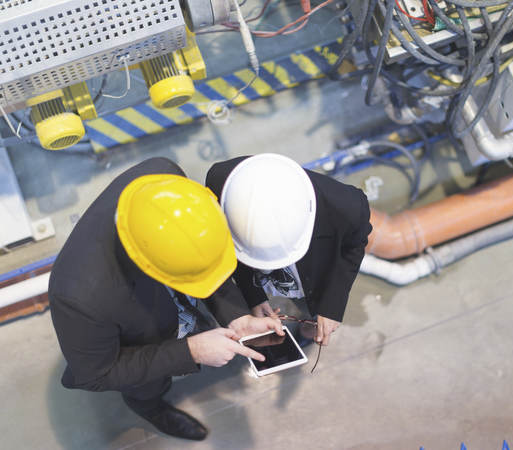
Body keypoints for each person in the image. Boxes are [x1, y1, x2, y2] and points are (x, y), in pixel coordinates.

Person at [48, 157, 283, 441]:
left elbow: (201, 255)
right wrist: (191, 351)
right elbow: (97, 373)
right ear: (147, 264)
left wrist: (238, 317)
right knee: (146, 386)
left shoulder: (165, 179)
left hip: (160, 308)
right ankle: (150, 407)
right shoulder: (79, 296)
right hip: (138, 341)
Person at [205, 153, 372, 346]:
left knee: (311, 310)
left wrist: (331, 306)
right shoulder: (223, 185)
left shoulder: (347, 206)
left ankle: (310, 324)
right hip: (262, 278)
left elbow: (353, 247)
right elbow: (227, 245)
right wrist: (253, 296)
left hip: (311, 281)